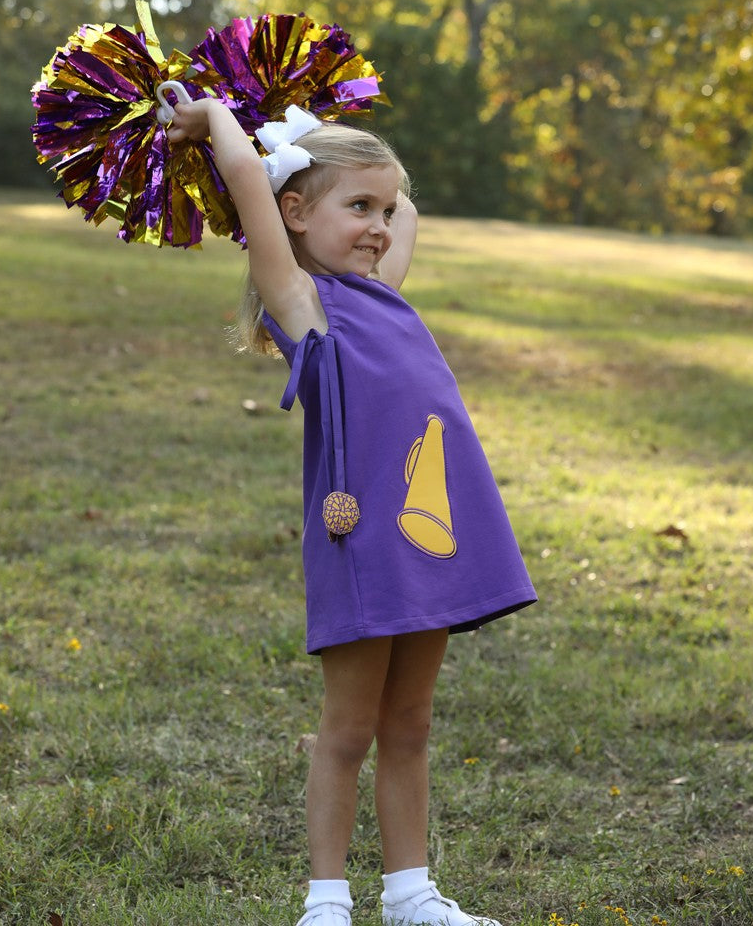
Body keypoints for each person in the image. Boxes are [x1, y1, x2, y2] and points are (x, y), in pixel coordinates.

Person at [167, 98, 537, 926]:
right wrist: (225, 120)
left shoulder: (385, 295)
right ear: (294, 213)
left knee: (410, 723)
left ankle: (413, 895)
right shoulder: (305, 304)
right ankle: (325, 903)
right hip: (363, 543)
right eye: (356, 208)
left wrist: (342, 149)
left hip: (431, 540)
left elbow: (406, 207)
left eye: (383, 208)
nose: (378, 225)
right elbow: (245, 183)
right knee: (347, 730)